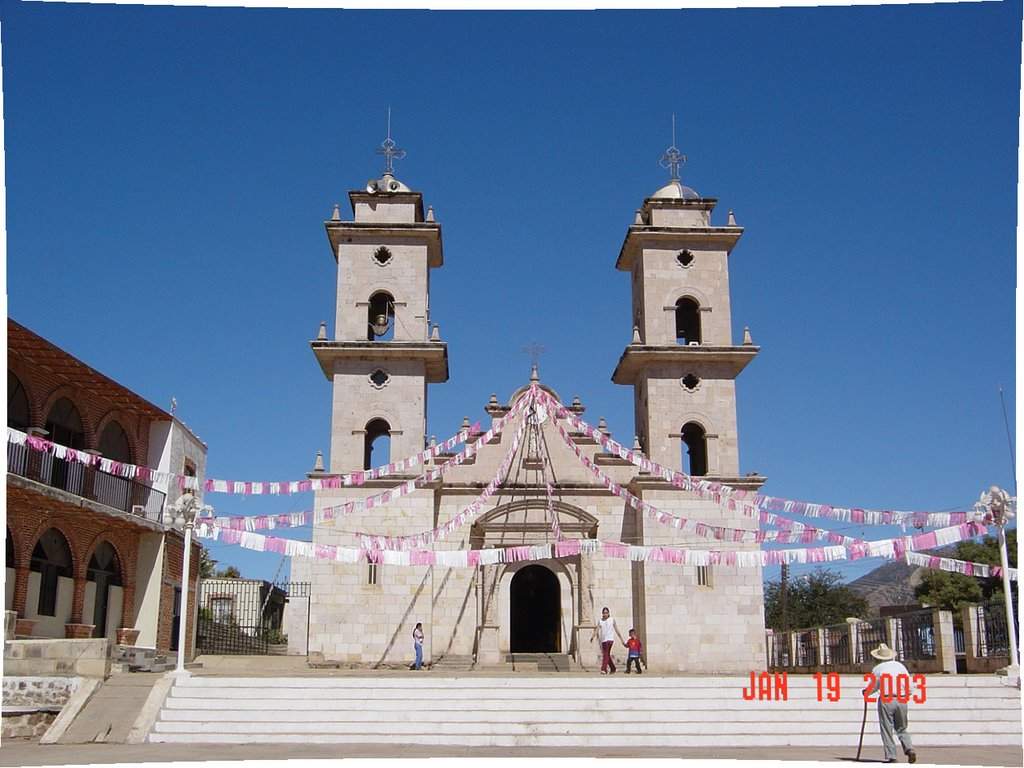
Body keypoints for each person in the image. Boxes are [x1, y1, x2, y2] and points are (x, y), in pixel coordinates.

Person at [863, 643, 917, 764]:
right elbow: (909, 686)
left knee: (886, 728)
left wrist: (866, 692)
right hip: (902, 699)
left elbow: (874, 686)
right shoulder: (900, 666)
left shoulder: (877, 669)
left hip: (887, 699)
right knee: (902, 728)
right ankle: (909, 748)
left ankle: (891, 756)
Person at [591, 606, 625, 674]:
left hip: (610, 639)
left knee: (605, 654)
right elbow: (597, 630)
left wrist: (621, 639)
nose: (605, 614)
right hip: (603, 640)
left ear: (608, 613)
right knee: (607, 655)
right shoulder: (600, 621)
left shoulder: (612, 620)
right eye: (604, 613)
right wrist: (593, 636)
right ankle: (613, 668)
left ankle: (604, 669)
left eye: (606, 613)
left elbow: (616, 629)